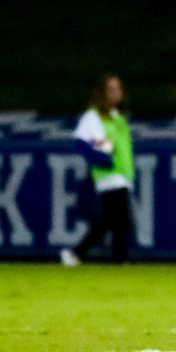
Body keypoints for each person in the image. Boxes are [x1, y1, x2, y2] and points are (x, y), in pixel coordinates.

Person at [60, 74, 136, 265]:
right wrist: (102, 157)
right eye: (112, 89)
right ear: (102, 93)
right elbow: (81, 141)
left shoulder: (118, 117)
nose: (117, 93)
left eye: (119, 88)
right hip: (109, 174)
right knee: (119, 220)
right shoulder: (92, 117)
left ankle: (77, 253)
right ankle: (116, 259)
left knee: (111, 220)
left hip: (122, 173)